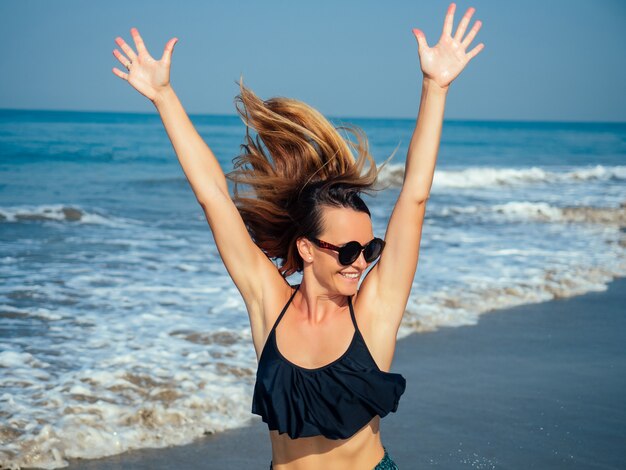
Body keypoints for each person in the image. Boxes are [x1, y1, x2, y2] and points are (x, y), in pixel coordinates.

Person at [112, 3, 483, 468]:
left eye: (369, 249)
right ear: (306, 249)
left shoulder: (374, 311)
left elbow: (414, 198)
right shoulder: (267, 302)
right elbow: (213, 198)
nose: (360, 262)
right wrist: (164, 96)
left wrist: (435, 88)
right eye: (348, 250)